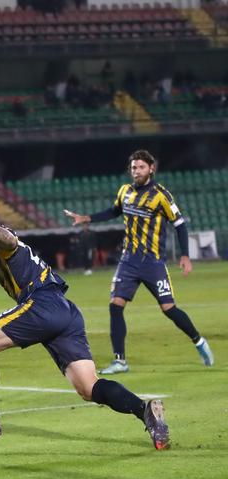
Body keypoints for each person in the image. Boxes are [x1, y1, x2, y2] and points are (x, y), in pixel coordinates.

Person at [0, 188, 170, 450]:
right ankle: (145, 410)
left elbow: (9, 240)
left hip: (42, 303)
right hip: (64, 311)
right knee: (89, 388)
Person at [63, 149, 213, 374]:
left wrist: (184, 256)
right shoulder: (125, 191)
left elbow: (180, 224)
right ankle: (120, 361)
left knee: (169, 309)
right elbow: (114, 211)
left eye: (141, 167)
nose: (136, 171)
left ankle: (199, 342)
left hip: (153, 262)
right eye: (134, 167)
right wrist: (87, 218)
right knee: (115, 306)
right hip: (128, 261)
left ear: (151, 169)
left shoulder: (162, 195)